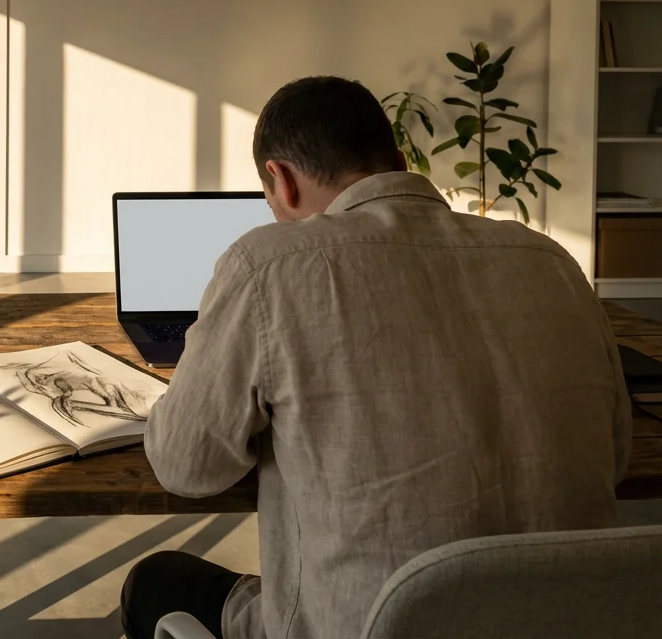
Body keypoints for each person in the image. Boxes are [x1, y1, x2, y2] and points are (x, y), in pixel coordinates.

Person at [122, 76, 631, 639]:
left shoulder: (267, 265)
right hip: (567, 618)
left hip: (370, 626)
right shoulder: (550, 261)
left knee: (157, 580)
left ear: (280, 180)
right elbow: (615, 453)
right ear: (396, 158)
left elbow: (185, 466)